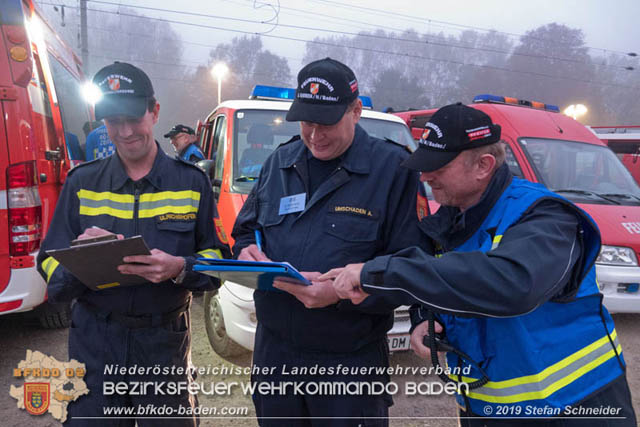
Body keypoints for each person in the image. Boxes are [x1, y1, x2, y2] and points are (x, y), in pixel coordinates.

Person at [327, 103, 637, 426]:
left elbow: (512, 284)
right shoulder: (450, 221)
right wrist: (423, 317)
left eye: (438, 166)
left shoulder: (545, 216)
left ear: (483, 165)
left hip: (576, 408)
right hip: (486, 409)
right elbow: (444, 279)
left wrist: (381, 273)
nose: (425, 176)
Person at [231, 57, 429, 426]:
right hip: (275, 355)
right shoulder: (280, 162)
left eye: (326, 123)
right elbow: (245, 230)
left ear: (355, 111)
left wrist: (339, 292)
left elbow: (413, 267)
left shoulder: (394, 170)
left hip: (348, 360)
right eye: (307, 122)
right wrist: (245, 250)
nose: (315, 135)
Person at [37, 61, 230, 426]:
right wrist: (80, 260)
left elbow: (217, 258)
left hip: (164, 344)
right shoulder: (82, 183)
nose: (124, 132)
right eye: (113, 122)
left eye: (133, 119)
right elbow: (48, 262)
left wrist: (182, 268)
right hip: (95, 343)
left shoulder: (191, 183)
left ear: (154, 112)